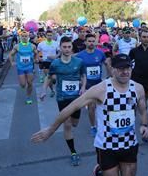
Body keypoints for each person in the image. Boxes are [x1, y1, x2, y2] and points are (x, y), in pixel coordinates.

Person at [32, 53, 148, 176]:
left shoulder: (138, 88)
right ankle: (100, 173)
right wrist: (51, 130)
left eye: (127, 68)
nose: (125, 72)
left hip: (129, 145)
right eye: (120, 68)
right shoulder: (101, 90)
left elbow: (142, 108)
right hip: (107, 147)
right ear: (112, 69)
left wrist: (144, 125)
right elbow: (70, 108)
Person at [39, 36, 86, 166]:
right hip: (62, 98)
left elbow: (83, 76)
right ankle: (73, 152)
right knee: (67, 124)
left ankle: (72, 129)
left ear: (72, 48)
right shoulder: (55, 63)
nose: (67, 49)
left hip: (76, 98)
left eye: (69, 47)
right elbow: (48, 78)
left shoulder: (79, 62)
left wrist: (82, 87)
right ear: (60, 48)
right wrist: (43, 91)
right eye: (64, 47)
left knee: (75, 123)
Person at [76, 33, 108, 137]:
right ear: (85, 42)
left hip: (99, 84)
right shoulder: (80, 55)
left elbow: (106, 64)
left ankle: (104, 124)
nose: (91, 43)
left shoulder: (100, 53)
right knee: (91, 107)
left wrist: (110, 76)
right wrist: (81, 84)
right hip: (87, 85)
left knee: (103, 105)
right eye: (89, 41)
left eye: (93, 41)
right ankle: (93, 126)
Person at [9, 30, 38, 105]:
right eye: (23, 36)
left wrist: (36, 59)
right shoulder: (17, 46)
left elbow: (36, 53)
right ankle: (23, 83)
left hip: (29, 67)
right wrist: (12, 62)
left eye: (26, 36)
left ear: (28, 37)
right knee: (23, 85)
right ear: (20, 37)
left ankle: (28, 97)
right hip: (21, 68)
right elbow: (11, 55)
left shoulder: (32, 46)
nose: (24, 38)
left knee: (30, 83)